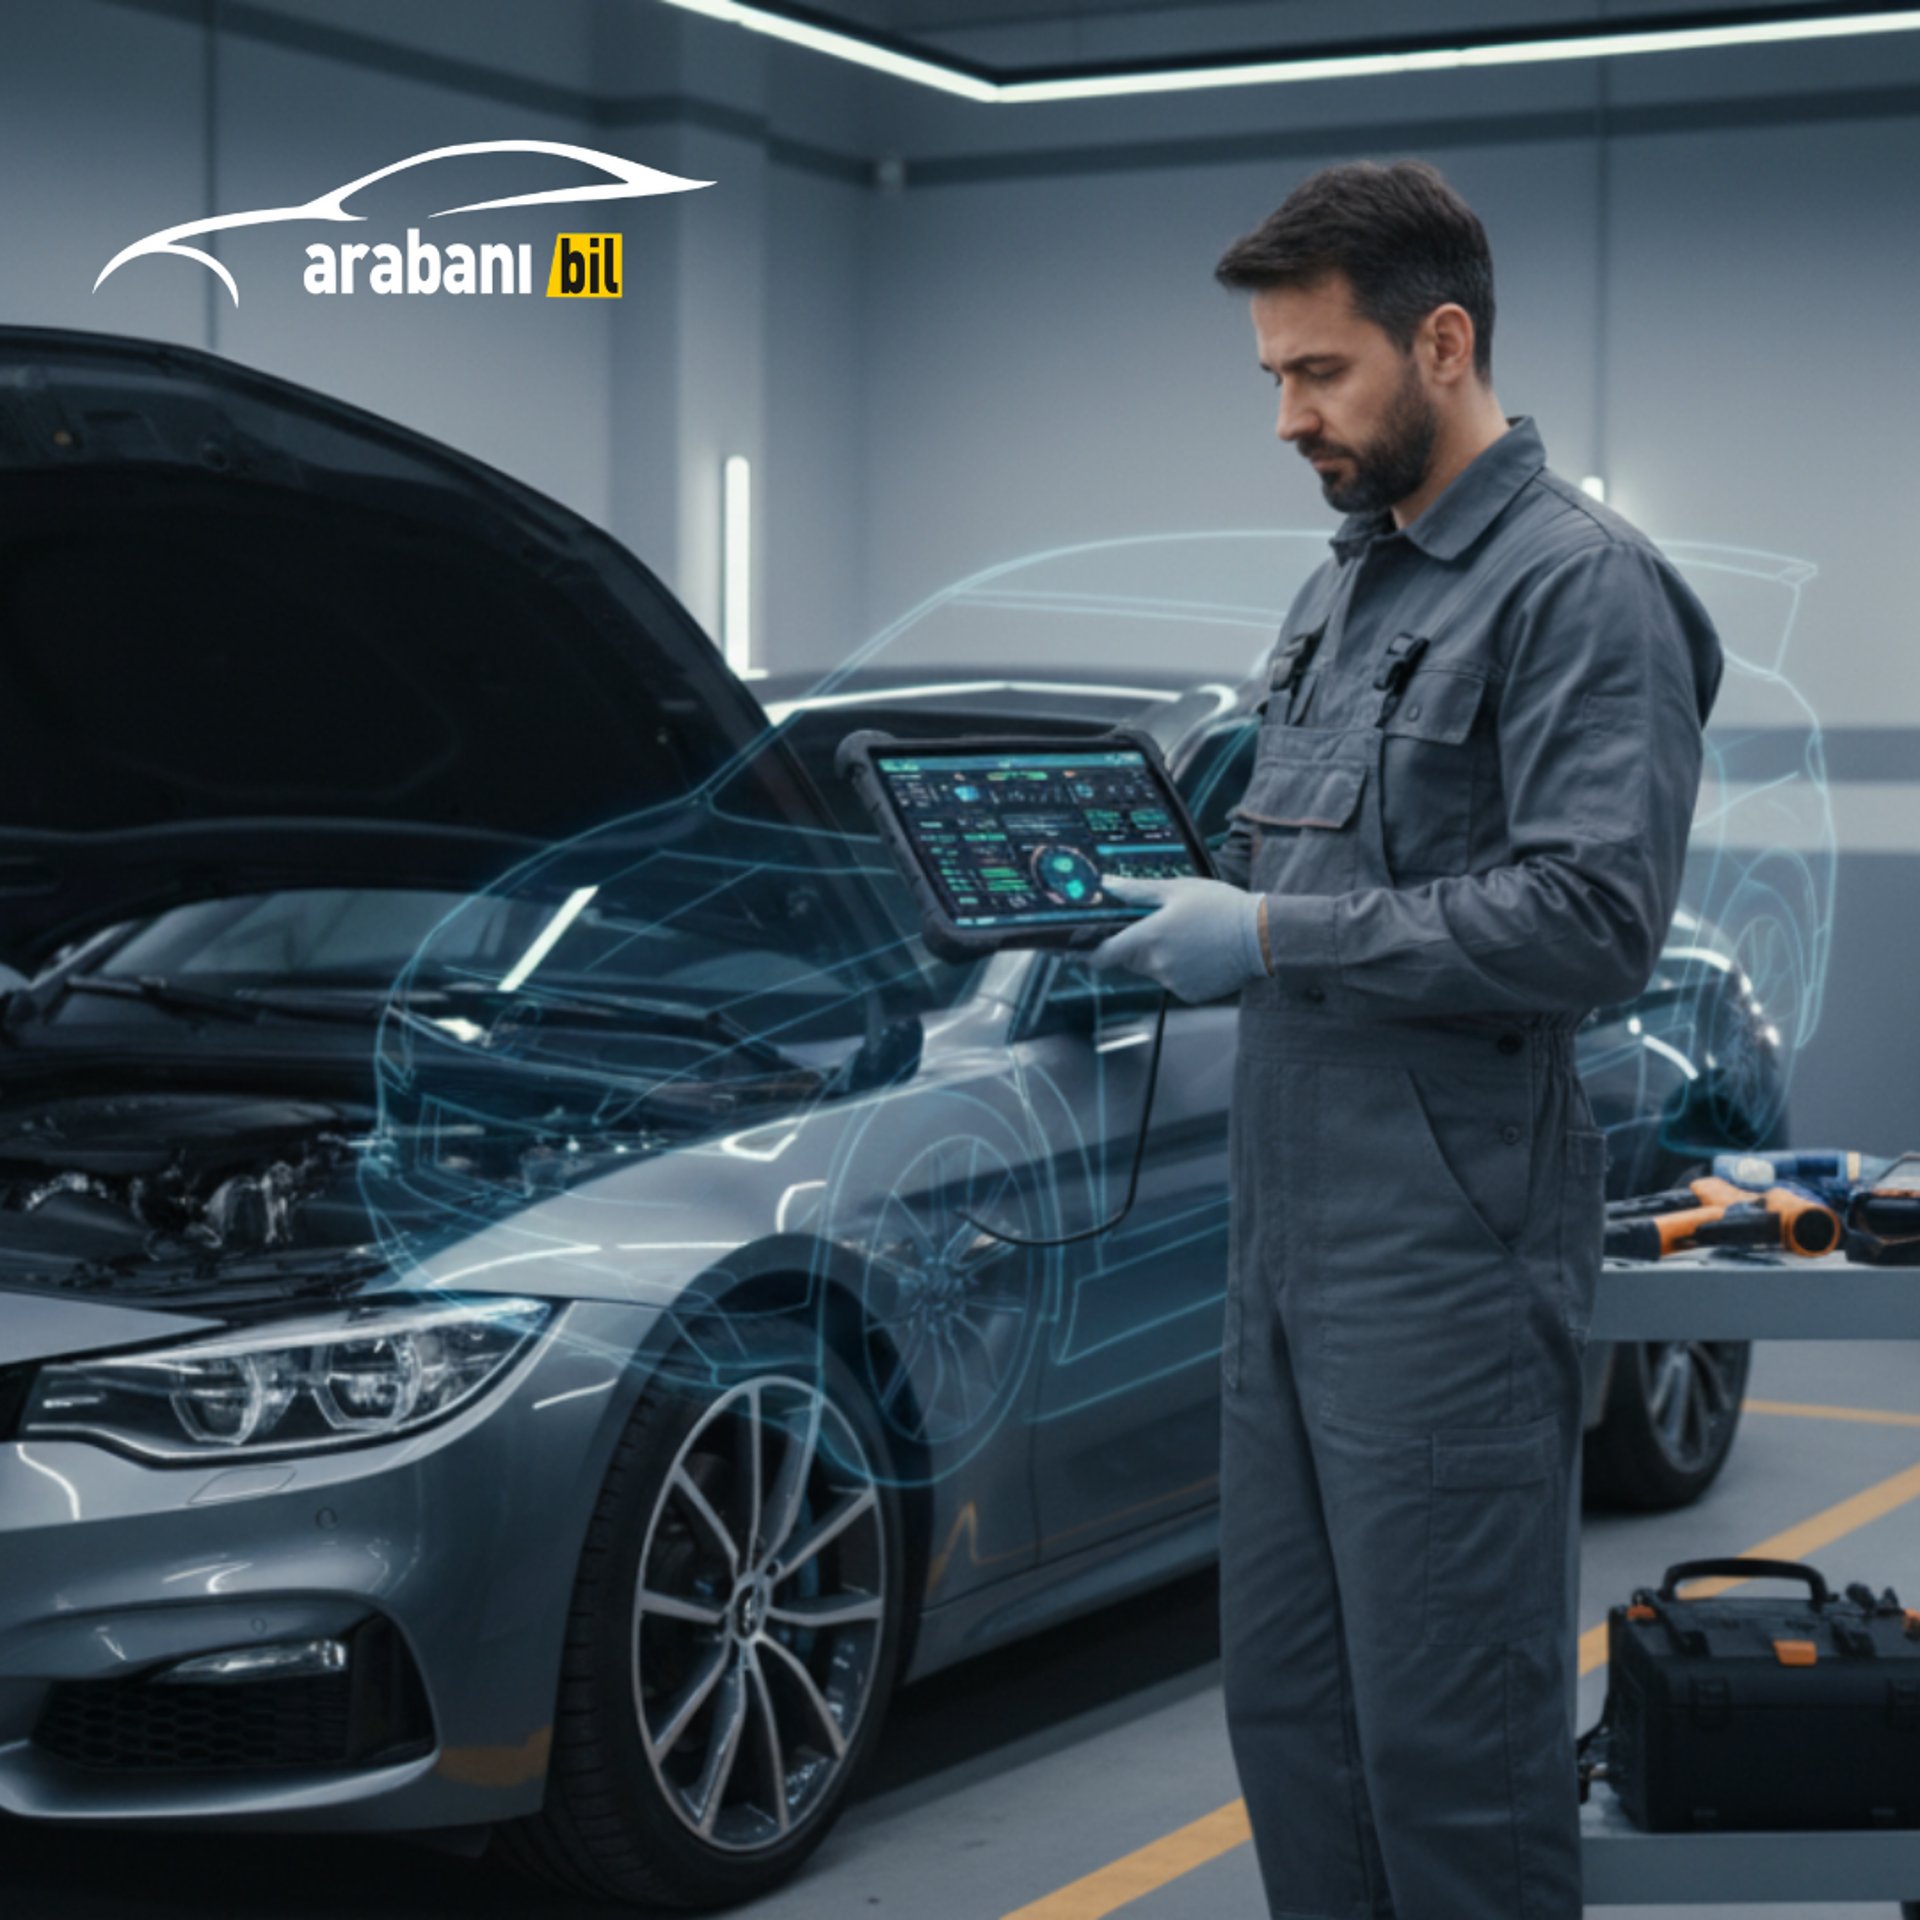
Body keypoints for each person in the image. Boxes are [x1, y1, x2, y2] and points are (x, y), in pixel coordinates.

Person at [1089, 158, 1723, 1919]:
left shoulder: (1579, 588)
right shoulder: (1342, 591)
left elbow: (1594, 920)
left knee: (1452, 1746)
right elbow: (1308, 855)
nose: (1288, 415)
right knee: (1293, 1717)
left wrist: (1274, 933)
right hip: (1284, 1241)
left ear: (1442, 343)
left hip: (1444, 1250)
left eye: (1320, 373)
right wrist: (1165, 894)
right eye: (1273, 378)